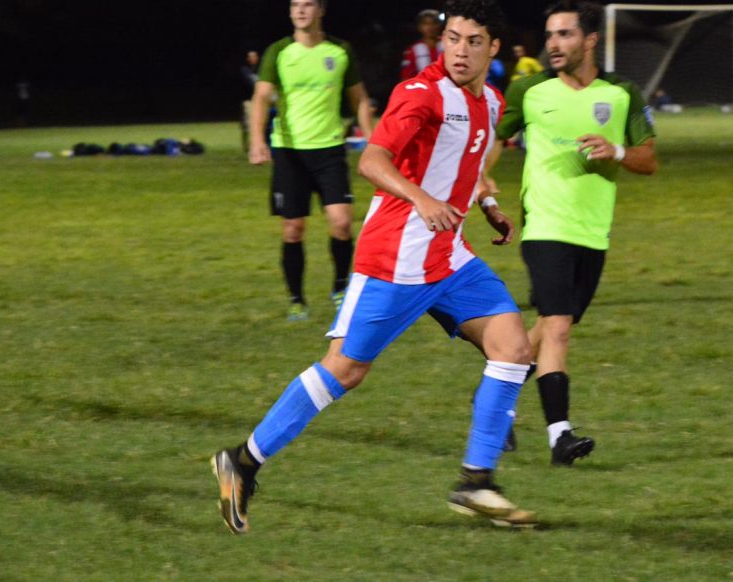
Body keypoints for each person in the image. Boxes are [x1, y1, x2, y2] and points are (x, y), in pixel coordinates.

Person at [211, 0, 538, 533]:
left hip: (450, 255)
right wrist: (422, 199)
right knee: (345, 369)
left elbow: (466, 162)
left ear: (493, 48)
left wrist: (486, 202)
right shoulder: (421, 92)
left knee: (514, 348)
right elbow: (371, 159)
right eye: (452, 39)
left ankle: (476, 481)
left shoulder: (491, 102)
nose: (459, 51)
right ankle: (242, 463)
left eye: (473, 41)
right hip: (398, 255)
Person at [486, 0, 657, 466]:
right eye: (550, 35)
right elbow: (493, 140)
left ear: (590, 40)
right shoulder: (529, 90)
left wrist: (616, 151)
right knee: (558, 326)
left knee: (548, 328)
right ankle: (560, 436)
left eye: (564, 34)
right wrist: (481, 180)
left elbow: (648, 160)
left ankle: (493, 400)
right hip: (544, 225)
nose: (553, 44)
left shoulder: (621, 93)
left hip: (593, 232)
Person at [248, 0, 375, 321]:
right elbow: (260, 97)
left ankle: (340, 287)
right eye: (295, 5)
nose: (300, 11)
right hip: (289, 152)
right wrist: (258, 140)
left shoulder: (340, 51)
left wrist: (372, 138)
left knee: (342, 223)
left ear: (321, 10)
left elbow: (359, 99)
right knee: (293, 228)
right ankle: (297, 300)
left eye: (307, 5)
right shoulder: (279, 51)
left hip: (329, 149)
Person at [400, 9, 444, 80]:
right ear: (419, 27)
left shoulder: (448, 45)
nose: (430, 27)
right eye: (425, 23)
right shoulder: (413, 50)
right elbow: (406, 76)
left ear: (440, 25)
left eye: (434, 23)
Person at [240, 50, 262, 153]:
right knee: (248, 125)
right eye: (251, 57)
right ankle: (247, 145)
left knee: (261, 124)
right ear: (247, 59)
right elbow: (250, 82)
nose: (253, 58)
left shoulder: (261, 70)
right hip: (249, 101)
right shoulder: (245, 70)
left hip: (260, 101)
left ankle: (258, 145)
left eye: (255, 56)